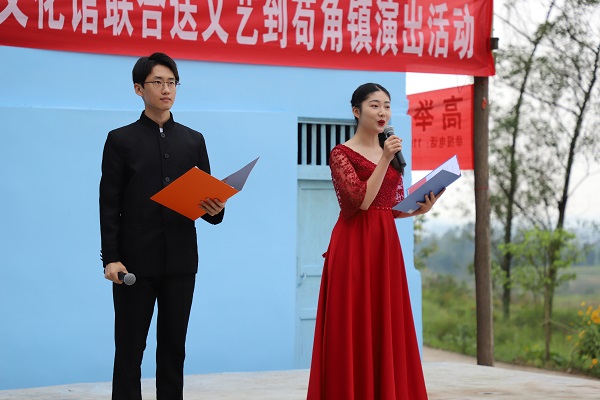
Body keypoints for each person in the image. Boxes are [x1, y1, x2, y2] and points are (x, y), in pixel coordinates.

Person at [99, 52, 226, 400]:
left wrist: (216, 208)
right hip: (134, 263)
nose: (166, 89)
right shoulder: (120, 140)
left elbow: (207, 207)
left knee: (173, 348)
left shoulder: (193, 140)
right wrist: (111, 258)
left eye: (171, 82)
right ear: (138, 88)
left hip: (180, 262)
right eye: (157, 82)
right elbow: (109, 204)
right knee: (130, 348)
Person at [306, 83, 443, 400]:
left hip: (385, 246)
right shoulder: (341, 154)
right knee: (352, 325)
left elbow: (388, 208)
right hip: (353, 247)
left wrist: (419, 209)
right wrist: (385, 158)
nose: (383, 112)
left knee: (386, 324)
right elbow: (361, 202)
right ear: (356, 111)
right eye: (374, 105)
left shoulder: (389, 153)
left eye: (387, 106)